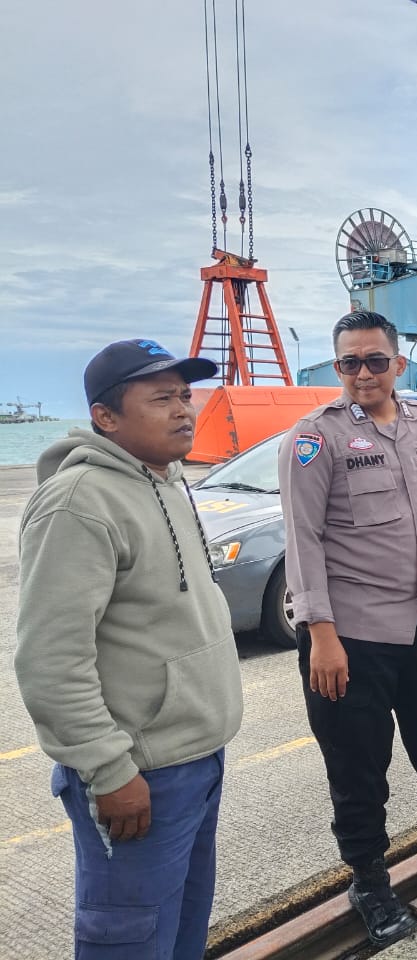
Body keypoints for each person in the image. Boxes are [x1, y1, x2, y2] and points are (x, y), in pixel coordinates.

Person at [14, 339, 243, 959]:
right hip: (139, 774)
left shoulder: (165, 482)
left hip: (196, 760)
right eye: (162, 398)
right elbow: (50, 660)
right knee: (129, 939)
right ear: (105, 417)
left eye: (186, 395)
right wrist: (108, 770)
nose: (184, 410)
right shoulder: (78, 503)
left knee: (182, 929)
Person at [278, 310, 417, 948]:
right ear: (337, 367)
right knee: (358, 766)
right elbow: (303, 540)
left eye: (376, 360)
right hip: (351, 636)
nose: (364, 373)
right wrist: (320, 633)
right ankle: (370, 883)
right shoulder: (314, 440)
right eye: (350, 363)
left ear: (398, 363)